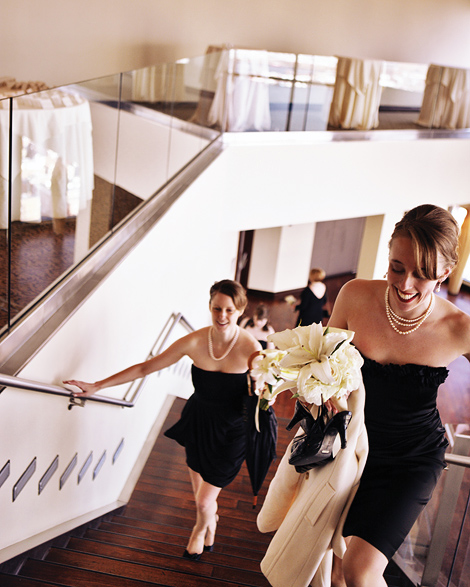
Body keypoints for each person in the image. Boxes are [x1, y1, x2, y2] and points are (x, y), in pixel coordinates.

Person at [257, 204, 470, 587]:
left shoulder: (459, 327)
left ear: (445, 272)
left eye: (422, 274)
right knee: (337, 568)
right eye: (397, 267)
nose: (405, 285)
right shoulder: (354, 295)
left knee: (360, 570)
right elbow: (318, 365)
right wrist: (318, 396)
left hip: (411, 459)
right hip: (350, 450)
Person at [64, 279, 261, 561]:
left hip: (232, 431)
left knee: (206, 499)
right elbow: (147, 366)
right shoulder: (195, 341)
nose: (222, 316)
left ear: (240, 310)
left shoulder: (251, 348)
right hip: (197, 422)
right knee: (201, 497)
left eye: (229, 310)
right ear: (209, 306)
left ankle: (200, 527)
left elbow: (271, 389)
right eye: (217, 308)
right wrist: (97, 385)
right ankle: (209, 521)